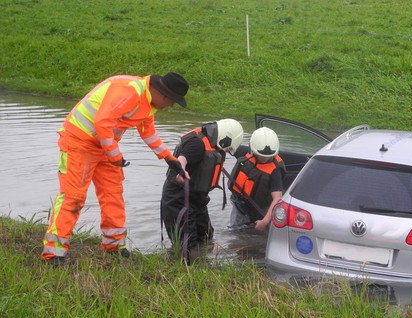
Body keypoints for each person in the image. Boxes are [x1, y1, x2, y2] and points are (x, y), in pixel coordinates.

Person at [42, 72, 189, 266]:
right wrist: (114, 155)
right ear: (164, 95)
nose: (170, 106)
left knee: (113, 194)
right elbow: (102, 121)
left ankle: (113, 245)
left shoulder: (149, 103)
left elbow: (148, 132)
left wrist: (170, 159)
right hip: (79, 141)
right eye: (172, 102)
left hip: (104, 145)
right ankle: (53, 253)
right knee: (73, 196)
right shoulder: (130, 91)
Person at [161, 118, 244, 257]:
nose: (227, 150)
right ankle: (183, 269)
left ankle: (202, 266)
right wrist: (181, 169)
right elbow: (182, 159)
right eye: (228, 148)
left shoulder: (212, 142)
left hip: (197, 199)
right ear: (225, 138)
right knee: (187, 244)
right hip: (178, 199)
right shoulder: (197, 143)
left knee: (206, 237)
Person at [228, 127, 286, 232]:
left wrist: (265, 221)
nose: (264, 159)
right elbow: (225, 148)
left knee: (257, 239)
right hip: (240, 206)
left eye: (268, 156)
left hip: (260, 212)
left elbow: (277, 198)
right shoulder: (244, 153)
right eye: (261, 155)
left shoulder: (275, 171)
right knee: (235, 234)